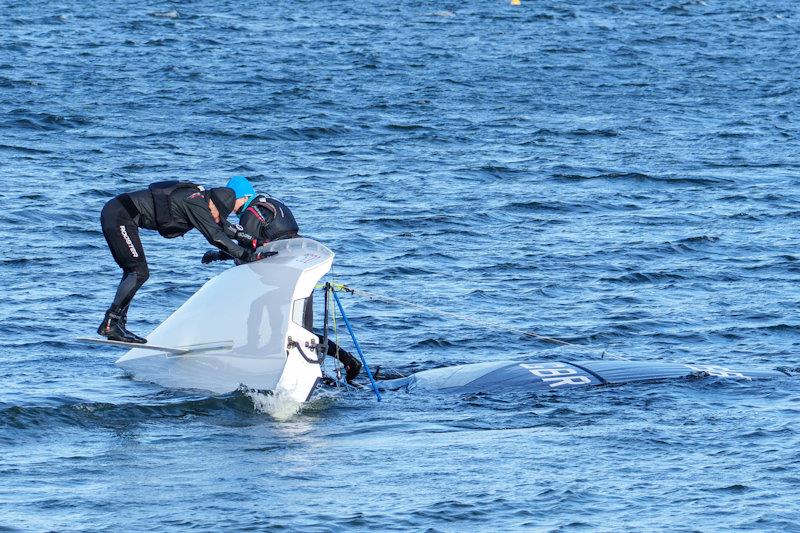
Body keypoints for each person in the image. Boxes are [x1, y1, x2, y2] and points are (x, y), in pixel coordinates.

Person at [201, 176, 362, 383]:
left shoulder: (250, 215)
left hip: (282, 279)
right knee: (300, 329)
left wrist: (216, 255)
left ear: (244, 197)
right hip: (301, 274)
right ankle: (346, 361)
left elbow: (246, 252)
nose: (230, 205)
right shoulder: (271, 203)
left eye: (233, 200)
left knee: (268, 316)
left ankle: (256, 352)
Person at [98, 180, 269, 344]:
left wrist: (254, 242)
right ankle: (111, 324)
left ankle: (117, 325)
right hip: (119, 215)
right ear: (214, 206)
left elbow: (226, 228)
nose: (219, 219)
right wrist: (247, 256)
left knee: (135, 272)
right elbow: (215, 237)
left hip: (120, 214)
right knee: (138, 272)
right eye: (220, 214)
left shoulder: (205, 201)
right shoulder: (196, 203)